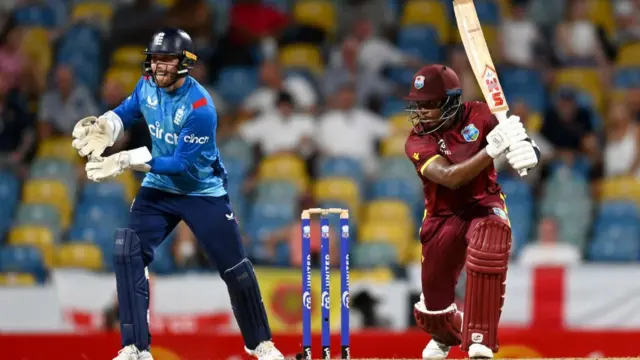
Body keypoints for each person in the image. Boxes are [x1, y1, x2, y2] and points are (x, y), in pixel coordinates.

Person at [70, 28, 284, 360]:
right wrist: (106, 125)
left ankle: (260, 343)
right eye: (156, 59)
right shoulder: (146, 85)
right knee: (128, 251)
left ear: (185, 63)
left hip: (201, 191)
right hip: (159, 188)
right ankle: (135, 348)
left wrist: (127, 159)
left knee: (235, 268)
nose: (159, 66)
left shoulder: (201, 107)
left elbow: (180, 165)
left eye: (167, 60)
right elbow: (127, 111)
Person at [403, 65, 540, 359]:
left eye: (430, 104)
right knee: (433, 315)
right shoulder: (417, 141)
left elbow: (517, 137)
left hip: (483, 204)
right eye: (419, 104)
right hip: (442, 216)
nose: (423, 111)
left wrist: (529, 150)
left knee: (490, 240)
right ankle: (447, 334)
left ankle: (481, 337)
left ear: (451, 101)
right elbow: (452, 177)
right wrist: (492, 151)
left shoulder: (479, 114)